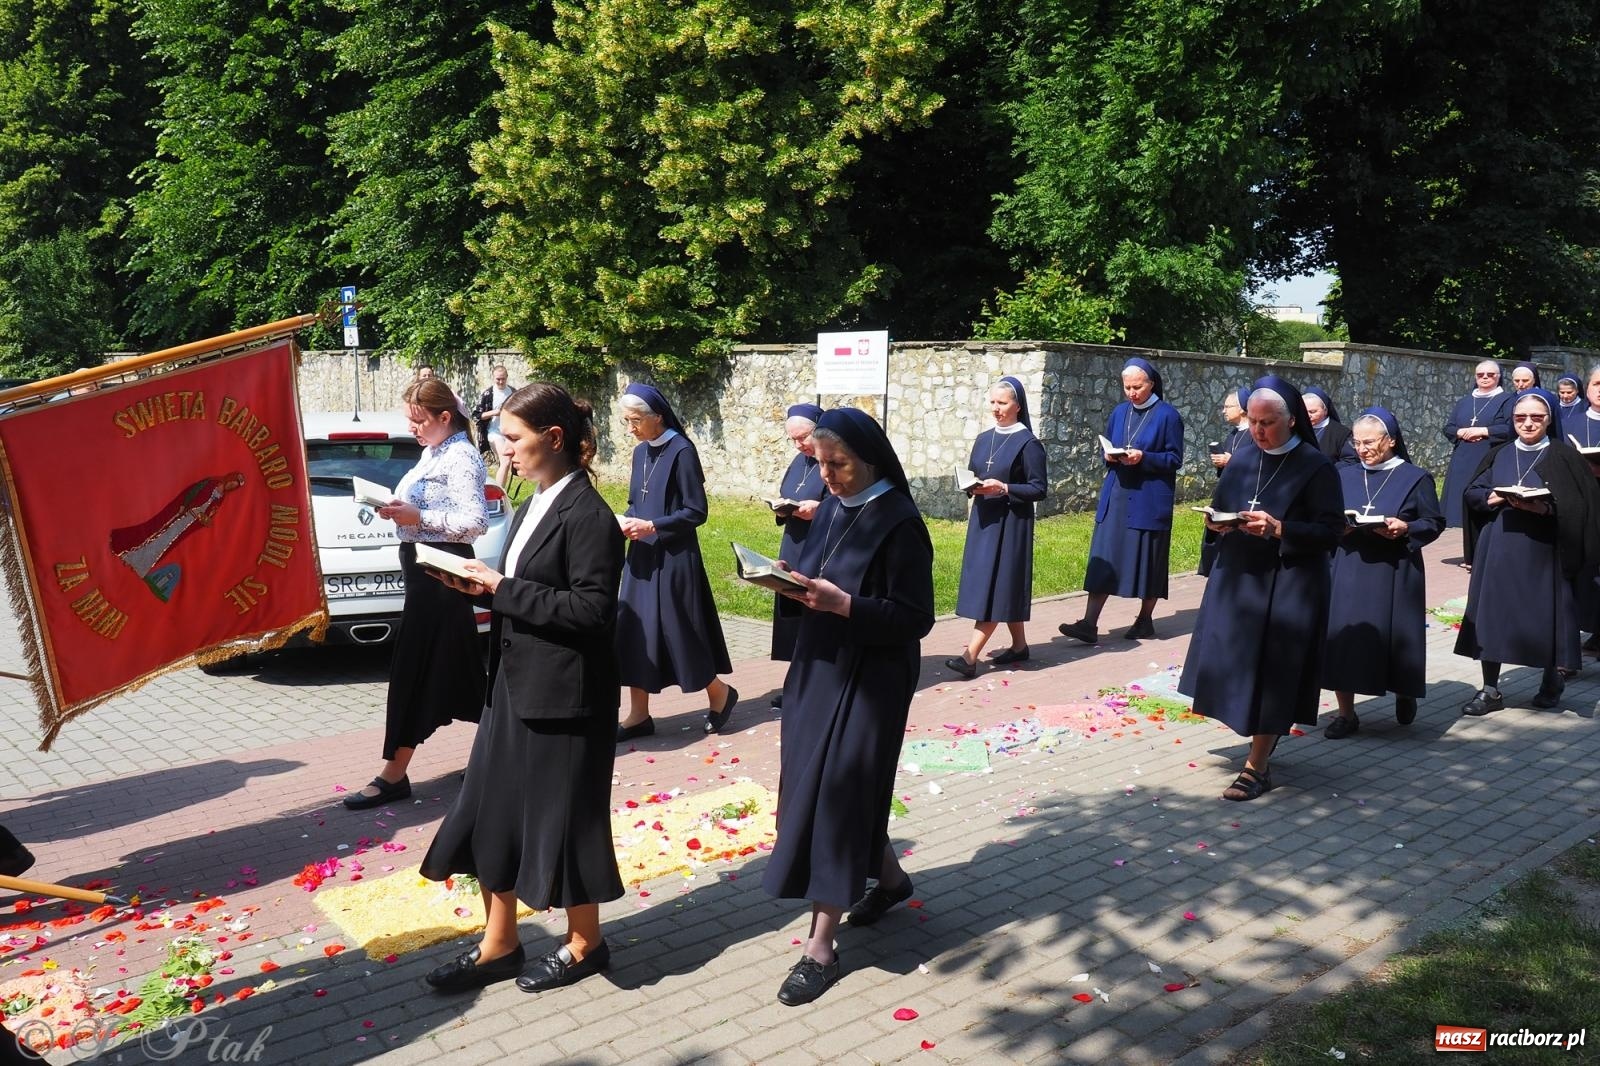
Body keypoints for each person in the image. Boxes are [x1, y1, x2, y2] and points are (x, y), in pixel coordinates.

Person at [418, 383, 625, 994]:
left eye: (513, 438)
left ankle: (587, 942)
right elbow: (526, 582)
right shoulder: (536, 499)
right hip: (514, 684)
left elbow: (592, 610)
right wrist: (481, 585)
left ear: (554, 440)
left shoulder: (589, 515)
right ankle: (499, 943)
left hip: (566, 698)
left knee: (567, 823)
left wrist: (500, 589)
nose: (502, 451)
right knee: (492, 814)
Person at [762, 407, 935, 1006]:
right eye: (820, 463)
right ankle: (889, 880)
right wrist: (788, 578)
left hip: (871, 677)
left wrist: (846, 607)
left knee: (836, 795)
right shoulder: (836, 503)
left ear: (871, 460)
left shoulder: (900, 521)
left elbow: (916, 618)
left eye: (838, 465)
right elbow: (823, 574)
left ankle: (820, 948)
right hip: (818, 665)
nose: (827, 476)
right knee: (820, 785)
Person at [1178, 376, 1343, 801]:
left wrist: (1280, 528)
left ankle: (1258, 766)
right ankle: (1256, 744)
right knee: (1239, 667)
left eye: (1267, 423)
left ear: (1291, 422)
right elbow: (1223, 505)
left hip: (1288, 585)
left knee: (1274, 674)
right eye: (1252, 422)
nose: (1257, 432)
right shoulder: (1244, 456)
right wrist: (1215, 524)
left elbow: (1330, 532)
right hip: (1239, 582)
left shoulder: (1315, 465)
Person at [345, 378, 487, 810]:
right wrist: (398, 511)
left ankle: (393, 773)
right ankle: (503, 750)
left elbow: (474, 521)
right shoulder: (434, 452)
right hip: (426, 576)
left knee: (414, 672)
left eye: (419, 420)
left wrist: (417, 515)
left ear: (445, 417)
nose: (413, 428)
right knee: (461, 674)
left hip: (441, 578)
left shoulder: (461, 455)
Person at [1455, 390, 1600, 715]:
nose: (1528, 423)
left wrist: (1545, 510)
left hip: (1544, 551)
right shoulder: (1500, 453)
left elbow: (1582, 507)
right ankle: (1491, 690)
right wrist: (1490, 498)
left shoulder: (1565, 457)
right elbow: (1473, 491)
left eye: (1537, 417)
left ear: (1549, 420)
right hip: (1500, 547)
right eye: (1521, 417)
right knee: (1491, 615)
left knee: (1546, 617)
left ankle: (1552, 680)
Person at [614, 383, 738, 741]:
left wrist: (654, 525)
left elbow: (697, 511)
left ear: (658, 417)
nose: (631, 428)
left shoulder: (682, 450)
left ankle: (719, 693)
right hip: (640, 556)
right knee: (635, 630)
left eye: (636, 420)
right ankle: (638, 715)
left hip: (673, 557)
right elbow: (636, 501)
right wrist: (628, 519)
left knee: (678, 630)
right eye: (627, 421)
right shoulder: (640, 453)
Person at [1320, 408, 1444, 737]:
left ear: (1390, 440)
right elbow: (1324, 517)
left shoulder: (1415, 477)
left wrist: (1406, 528)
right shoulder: (1341, 475)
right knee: (1342, 639)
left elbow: (1433, 522)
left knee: (1395, 637)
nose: (1362, 449)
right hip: (1348, 566)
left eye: (1369, 442)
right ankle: (1346, 714)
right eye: (1357, 443)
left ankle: (1403, 689)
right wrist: (1337, 528)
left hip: (1395, 569)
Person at [1059, 358, 1183, 643]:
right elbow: (1112, 445)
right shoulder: (1119, 412)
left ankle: (1144, 620)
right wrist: (1110, 455)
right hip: (1117, 494)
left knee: (1148, 559)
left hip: (1148, 498)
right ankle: (1089, 623)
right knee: (1105, 556)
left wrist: (1144, 458)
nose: (1131, 392)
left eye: (1137, 386)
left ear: (1151, 383)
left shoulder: (1168, 416)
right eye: (1127, 387)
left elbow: (1174, 458)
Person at [947, 377, 1047, 677]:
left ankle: (969, 657)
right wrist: (972, 487)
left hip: (1011, 523)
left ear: (1018, 406)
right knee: (1002, 585)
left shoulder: (1029, 443)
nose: (996, 408)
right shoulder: (983, 438)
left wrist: (1004, 487)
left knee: (996, 586)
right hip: (983, 521)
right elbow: (973, 475)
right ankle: (1019, 646)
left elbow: (1039, 488)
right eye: (992, 402)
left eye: (1002, 403)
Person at [769, 404, 829, 680]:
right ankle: (798, 678)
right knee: (793, 610)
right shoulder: (800, 461)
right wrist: (783, 508)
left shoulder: (834, 459)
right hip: (793, 544)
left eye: (803, 437)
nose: (798, 445)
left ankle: (815, 679)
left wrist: (819, 509)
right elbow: (788, 491)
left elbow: (846, 502)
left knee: (815, 612)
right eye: (793, 439)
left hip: (820, 546)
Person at [1441, 360, 1513, 535]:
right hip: (1463, 459)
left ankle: (1479, 552)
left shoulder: (1507, 400)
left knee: (1482, 504)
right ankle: (1468, 553)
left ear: (1499, 377)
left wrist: (1483, 431)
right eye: (1481, 375)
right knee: (1459, 507)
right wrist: (1461, 432)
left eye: (1490, 374)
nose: (1485, 378)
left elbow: (1510, 428)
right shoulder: (1465, 402)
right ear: (1475, 377)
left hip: (1488, 458)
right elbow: (1448, 427)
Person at [1199, 387, 1252, 578]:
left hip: (1244, 495)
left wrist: (1231, 461)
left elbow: (1257, 464)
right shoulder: (1233, 434)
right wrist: (1221, 462)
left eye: (1227, 406)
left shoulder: (1255, 434)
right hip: (1226, 493)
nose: (1223, 410)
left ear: (1242, 409)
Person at [473, 365, 517, 489]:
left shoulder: (514, 392)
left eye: (503, 379)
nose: (500, 382)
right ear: (493, 378)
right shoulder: (488, 394)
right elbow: (477, 415)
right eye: (498, 379)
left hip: (509, 432)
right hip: (493, 432)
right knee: (506, 461)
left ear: (507, 377)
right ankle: (499, 494)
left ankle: (498, 491)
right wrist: (495, 412)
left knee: (505, 463)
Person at [1302, 387, 1357, 465]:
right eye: (1304, 411)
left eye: (1313, 412)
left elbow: (1350, 460)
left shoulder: (1341, 433)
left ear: (1325, 411)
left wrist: (1328, 471)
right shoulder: (1296, 428)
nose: (1308, 416)